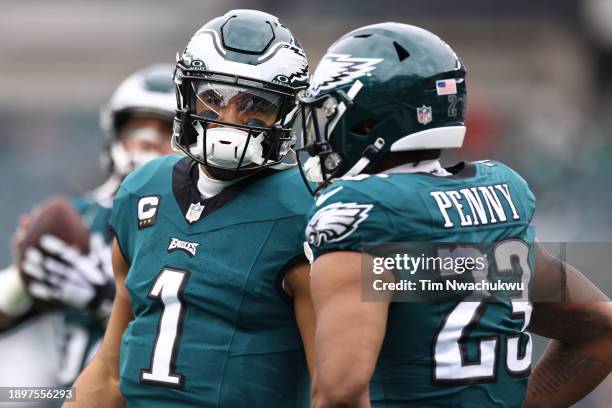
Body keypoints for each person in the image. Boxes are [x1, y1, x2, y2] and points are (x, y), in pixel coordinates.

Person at [295, 23, 612, 407]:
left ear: (367, 121)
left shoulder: (363, 209)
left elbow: (340, 393)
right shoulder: (499, 198)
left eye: (330, 113)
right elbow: (601, 332)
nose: (321, 132)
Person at [67, 9, 315, 408]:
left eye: (256, 104)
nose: (230, 120)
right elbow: (111, 370)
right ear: (186, 96)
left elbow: (336, 386)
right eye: (213, 99)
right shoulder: (142, 192)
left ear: (285, 113)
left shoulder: (303, 210)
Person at [0, 63, 176, 388]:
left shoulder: (205, 226)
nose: (148, 144)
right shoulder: (83, 217)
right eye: (136, 130)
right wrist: (22, 285)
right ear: (114, 134)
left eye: (167, 132)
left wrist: (106, 300)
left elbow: (196, 341)